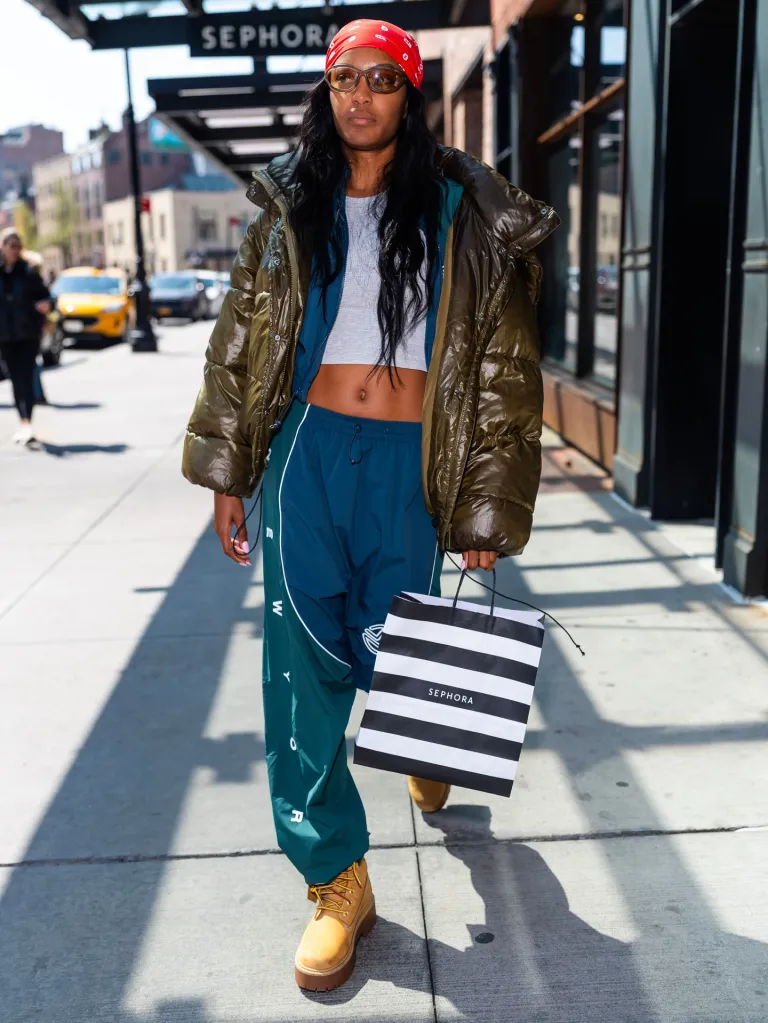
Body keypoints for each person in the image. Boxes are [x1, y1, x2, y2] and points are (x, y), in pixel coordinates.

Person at [183, 20, 559, 992]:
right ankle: (336, 880)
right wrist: (230, 470)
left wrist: (484, 511)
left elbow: (502, 370)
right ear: (326, 91)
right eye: (344, 78)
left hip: (408, 459)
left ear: (408, 94)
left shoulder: (460, 208)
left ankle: (422, 734)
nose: (360, 95)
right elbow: (240, 340)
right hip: (307, 452)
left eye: (382, 79)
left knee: (399, 638)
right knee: (302, 663)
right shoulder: (289, 204)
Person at [0, 229, 52, 445]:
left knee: (27, 377)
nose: (15, 250)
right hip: (4, 336)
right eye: (11, 246)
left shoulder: (28, 272)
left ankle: (27, 422)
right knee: (14, 379)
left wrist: (45, 305)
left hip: (28, 334)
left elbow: (47, 297)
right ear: (2, 246)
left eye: (18, 246)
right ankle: (22, 421)